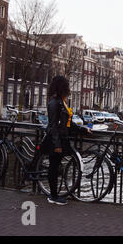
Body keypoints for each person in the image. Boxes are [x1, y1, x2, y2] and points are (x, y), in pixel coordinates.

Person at [42, 76, 91, 206]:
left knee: (57, 165)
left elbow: (67, 123)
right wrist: (57, 144)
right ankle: (53, 196)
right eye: (66, 86)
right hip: (55, 140)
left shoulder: (62, 102)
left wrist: (83, 129)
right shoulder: (54, 103)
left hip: (63, 138)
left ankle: (56, 193)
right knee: (53, 167)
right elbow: (53, 125)